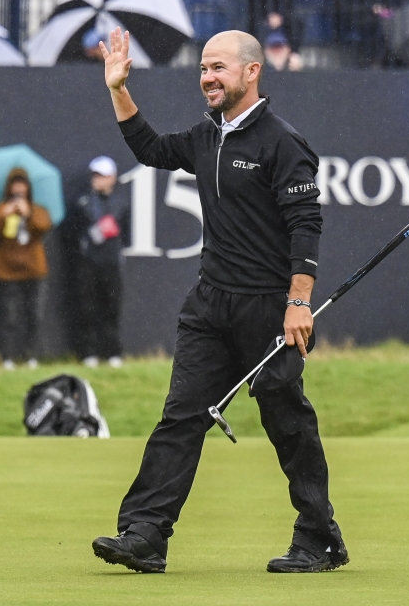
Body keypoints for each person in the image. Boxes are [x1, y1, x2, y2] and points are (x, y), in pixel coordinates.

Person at [93, 29, 343, 575]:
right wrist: (119, 88)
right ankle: (145, 534)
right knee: (181, 416)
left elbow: (306, 223)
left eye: (218, 67)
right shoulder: (208, 136)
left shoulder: (281, 141)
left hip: (270, 307)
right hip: (209, 304)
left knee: (286, 421)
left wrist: (299, 303)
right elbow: (152, 149)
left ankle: (319, 538)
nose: (207, 77)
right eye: (203, 68)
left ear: (252, 72)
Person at [0, 167, 52, 370]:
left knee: (34, 316)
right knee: (9, 317)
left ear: (28, 187)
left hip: (34, 270)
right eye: (15, 184)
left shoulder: (37, 209)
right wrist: (3, 215)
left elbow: (44, 227)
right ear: (8, 187)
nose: (18, 188)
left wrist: (28, 214)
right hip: (7, 270)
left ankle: (31, 356)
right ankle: (7, 358)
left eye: (22, 184)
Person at [70, 156, 127, 369]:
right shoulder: (81, 202)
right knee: (87, 306)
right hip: (87, 262)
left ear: (112, 178)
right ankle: (89, 353)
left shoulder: (121, 203)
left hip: (111, 262)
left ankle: (112, 352)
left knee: (112, 306)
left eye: (102, 175)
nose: (98, 179)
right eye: (95, 175)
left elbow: (126, 234)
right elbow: (72, 233)